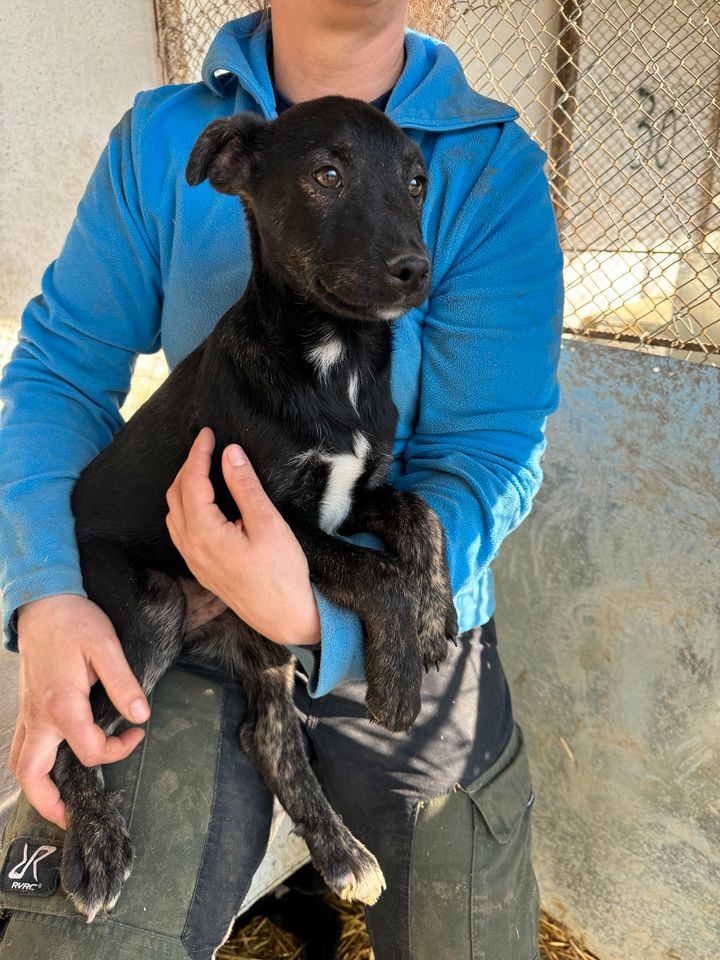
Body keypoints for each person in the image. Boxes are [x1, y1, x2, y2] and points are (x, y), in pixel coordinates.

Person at [0, 1, 563, 957]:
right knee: (82, 940)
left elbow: (489, 451)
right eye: (331, 177)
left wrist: (336, 615)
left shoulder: (495, 166)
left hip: (399, 608)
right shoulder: (167, 139)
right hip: (175, 582)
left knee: (468, 930)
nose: (402, 234)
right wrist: (44, 594)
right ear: (242, 177)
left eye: (408, 183)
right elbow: (59, 372)